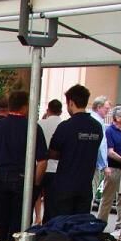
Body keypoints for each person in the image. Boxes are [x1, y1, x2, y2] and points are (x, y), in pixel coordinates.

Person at [0, 89, 47, 241]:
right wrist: (35, 184)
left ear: (10, 106)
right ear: (25, 106)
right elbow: (42, 161)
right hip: (23, 181)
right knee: (19, 228)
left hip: (0, 180)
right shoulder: (33, 128)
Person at [44, 85, 104, 221]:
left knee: (59, 225)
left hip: (64, 186)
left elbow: (53, 152)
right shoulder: (97, 127)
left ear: (71, 102)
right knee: (78, 225)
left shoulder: (66, 126)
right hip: (85, 186)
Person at [97, 105, 121, 222]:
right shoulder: (109, 131)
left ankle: (120, 225)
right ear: (117, 118)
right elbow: (110, 152)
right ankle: (101, 222)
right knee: (108, 198)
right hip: (113, 168)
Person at [35, 98, 65, 222]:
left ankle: (37, 217)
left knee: (36, 193)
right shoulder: (63, 125)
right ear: (61, 111)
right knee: (51, 200)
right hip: (57, 168)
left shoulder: (39, 124)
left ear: (48, 110)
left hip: (39, 166)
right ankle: (48, 221)